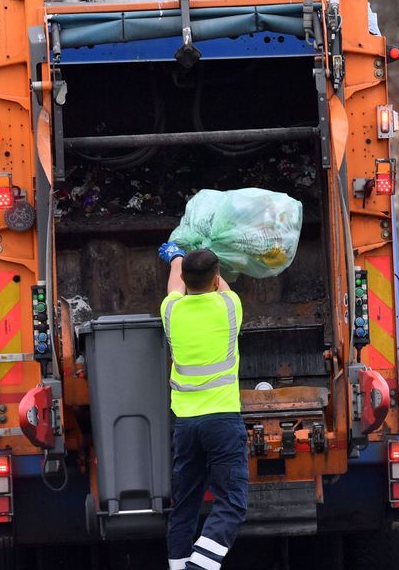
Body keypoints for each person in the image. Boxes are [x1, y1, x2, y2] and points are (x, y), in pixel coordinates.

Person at [158, 242, 248, 570]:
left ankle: (179, 566)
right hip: (222, 421)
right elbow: (218, 284)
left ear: (183, 278)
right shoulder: (229, 306)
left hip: (186, 425)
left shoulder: (171, 311)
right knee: (232, 502)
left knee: (185, 505)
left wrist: (175, 256)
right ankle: (200, 565)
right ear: (216, 279)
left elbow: (174, 284)